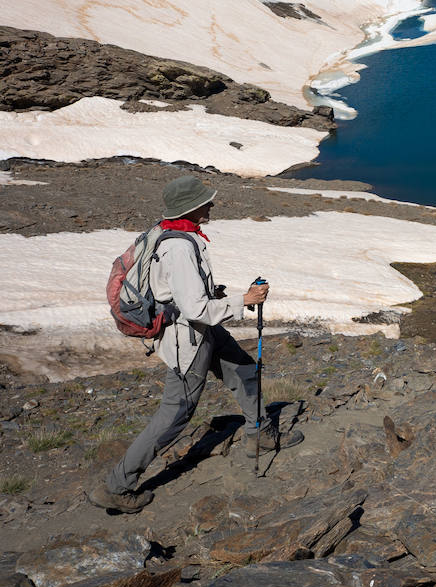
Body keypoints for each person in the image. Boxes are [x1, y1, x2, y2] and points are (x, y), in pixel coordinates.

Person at [89, 175, 302, 514]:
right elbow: (196, 309)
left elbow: (186, 295)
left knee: (244, 370)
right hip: (188, 337)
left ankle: (258, 431)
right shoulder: (179, 247)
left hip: (200, 331)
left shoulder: (172, 234)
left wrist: (219, 295)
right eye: (206, 201)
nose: (211, 205)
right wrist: (243, 299)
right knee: (175, 414)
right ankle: (117, 485)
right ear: (191, 207)